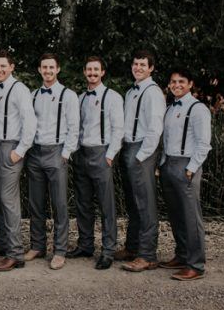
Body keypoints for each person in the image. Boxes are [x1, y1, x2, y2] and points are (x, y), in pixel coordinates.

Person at [24, 53, 79, 270]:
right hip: (35, 152)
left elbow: (74, 127)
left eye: (51, 67)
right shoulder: (33, 94)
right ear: (39, 70)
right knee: (36, 202)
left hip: (57, 152)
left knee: (59, 204)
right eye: (44, 67)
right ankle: (37, 245)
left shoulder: (69, 95)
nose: (47, 71)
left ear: (58, 70)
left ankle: (59, 250)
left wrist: (66, 153)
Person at [67, 56, 123, 270]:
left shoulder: (113, 97)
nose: (92, 73)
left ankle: (108, 250)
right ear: (84, 72)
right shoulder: (79, 97)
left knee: (106, 205)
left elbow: (119, 130)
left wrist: (109, 155)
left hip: (101, 153)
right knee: (83, 203)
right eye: (89, 69)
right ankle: (86, 245)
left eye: (96, 70)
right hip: (81, 153)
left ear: (102, 72)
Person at [0, 50, 36, 272]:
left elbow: (30, 122)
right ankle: (2, 243)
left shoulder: (20, 90)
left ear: (12, 67)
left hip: (10, 148)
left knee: (9, 200)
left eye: (3, 66)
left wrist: (20, 150)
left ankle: (15, 254)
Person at [159, 68, 211, 281]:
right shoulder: (170, 108)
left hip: (186, 165)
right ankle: (182, 255)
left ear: (190, 84)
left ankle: (196, 265)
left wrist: (191, 168)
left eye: (181, 81)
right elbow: (166, 139)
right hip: (168, 164)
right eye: (173, 81)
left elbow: (203, 143)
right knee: (176, 214)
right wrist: (161, 163)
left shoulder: (198, 109)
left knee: (191, 216)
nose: (176, 85)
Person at [118, 50, 166, 272]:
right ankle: (132, 247)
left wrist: (140, 156)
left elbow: (155, 129)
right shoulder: (131, 92)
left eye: (142, 65)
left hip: (142, 151)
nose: (137, 67)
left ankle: (147, 255)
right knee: (133, 203)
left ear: (151, 68)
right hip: (128, 148)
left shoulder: (153, 93)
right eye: (135, 64)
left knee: (145, 204)